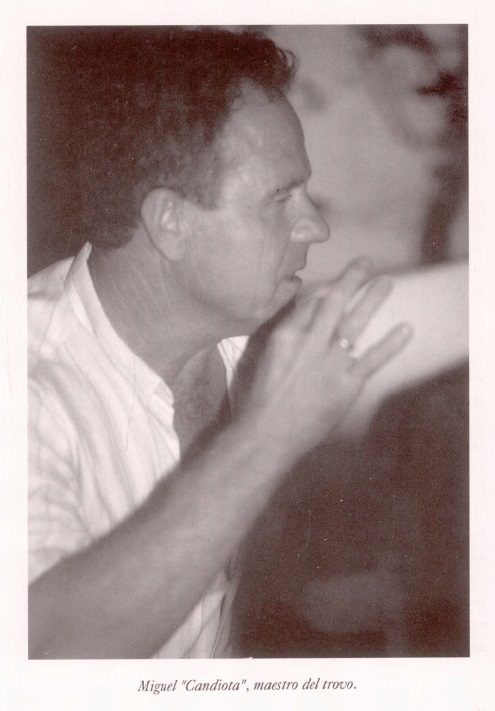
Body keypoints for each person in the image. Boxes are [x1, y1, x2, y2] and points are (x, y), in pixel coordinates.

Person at [28, 27, 460, 659]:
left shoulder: (242, 330)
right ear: (170, 221)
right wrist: (269, 436)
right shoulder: (29, 388)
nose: (314, 227)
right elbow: (42, 652)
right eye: (280, 199)